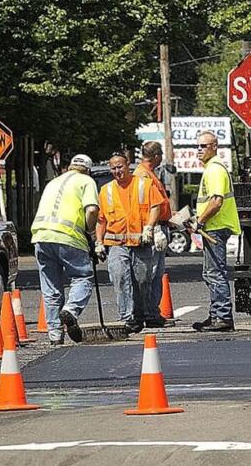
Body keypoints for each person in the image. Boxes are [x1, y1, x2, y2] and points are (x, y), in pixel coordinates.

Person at [95, 151, 169, 334]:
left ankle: (141, 313)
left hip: (141, 243)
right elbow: (101, 220)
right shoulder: (106, 191)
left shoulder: (144, 184)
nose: (117, 171)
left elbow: (155, 206)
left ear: (128, 165)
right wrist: (98, 241)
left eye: (120, 167)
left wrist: (150, 227)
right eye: (113, 168)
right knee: (120, 277)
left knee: (143, 280)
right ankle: (127, 318)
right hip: (116, 244)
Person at [31, 154, 100, 346]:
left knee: (51, 288)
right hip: (69, 237)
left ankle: (54, 334)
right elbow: (92, 210)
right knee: (82, 277)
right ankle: (71, 309)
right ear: (88, 169)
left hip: (41, 237)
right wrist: (90, 232)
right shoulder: (86, 181)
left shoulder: (53, 182)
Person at [192, 130, 240, 332]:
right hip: (213, 228)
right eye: (198, 146)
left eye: (204, 146)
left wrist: (200, 222)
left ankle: (222, 316)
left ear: (214, 147)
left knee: (215, 273)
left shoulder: (215, 170)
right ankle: (216, 315)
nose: (199, 150)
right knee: (210, 273)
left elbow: (216, 201)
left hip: (215, 228)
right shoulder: (211, 169)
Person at [134, 141, 174, 324]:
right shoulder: (144, 175)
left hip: (156, 226)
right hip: (151, 229)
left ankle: (151, 312)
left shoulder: (147, 173)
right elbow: (147, 206)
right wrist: (154, 227)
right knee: (150, 273)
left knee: (155, 273)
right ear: (157, 157)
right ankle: (148, 313)